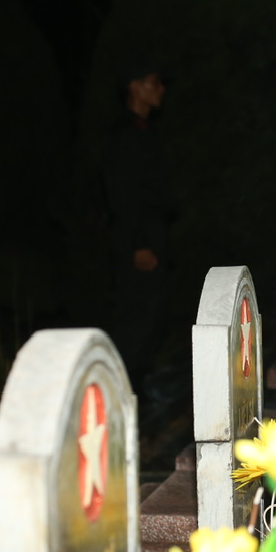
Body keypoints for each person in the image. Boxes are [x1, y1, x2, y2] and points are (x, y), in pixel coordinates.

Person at [101, 63, 177, 405]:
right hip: (136, 239)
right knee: (136, 314)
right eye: (153, 82)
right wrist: (139, 245)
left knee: (151, 314)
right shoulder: (125, 135)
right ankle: (118, 390)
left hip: (152, 234)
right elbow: (122, 195)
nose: (160, 89)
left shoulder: (145, 130)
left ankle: (138, 386)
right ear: (134, 86)